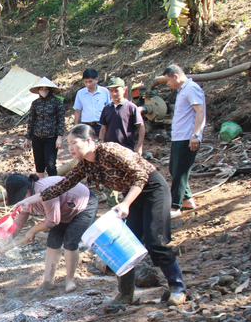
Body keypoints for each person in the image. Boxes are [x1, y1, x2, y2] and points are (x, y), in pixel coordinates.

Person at [13, 124, 188, 306]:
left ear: (89, 141)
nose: (70, 148)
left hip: (153, 191)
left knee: (155, 242)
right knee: (122, 246)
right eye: (68, 144)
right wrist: (29, 201)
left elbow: (140, 176)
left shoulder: (110, 150)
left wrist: (126, 203)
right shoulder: (85, 165)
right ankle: (126, 294)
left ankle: (177, 287)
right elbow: (60, 187)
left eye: (74, 143)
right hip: (132, 197)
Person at [3, 173, 98, 293]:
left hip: (83, 206)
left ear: (26, 189)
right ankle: (48, 282)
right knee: (53, 241)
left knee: (70, 242)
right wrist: (5, 242)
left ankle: (69, 280)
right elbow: (18, 222)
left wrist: (33, 230)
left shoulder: (45, 191)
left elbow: (53, 221)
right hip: (62, 211)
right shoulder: (25, 200)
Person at [163, 64, 206, 219]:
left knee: (180, 171)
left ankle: (175, 206)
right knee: (174, 169)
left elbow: (199, 111)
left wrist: (195, 135)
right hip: (179, 136)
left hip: (187, 137)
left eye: (168, 81)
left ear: (176, 76)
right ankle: (187, 199)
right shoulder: (183, 91)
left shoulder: (191, 88)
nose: (168, 84)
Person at [22, 77, 65, 177]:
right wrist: (27, 138)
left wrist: (59, 137)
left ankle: (54, 186)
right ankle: (41, 185)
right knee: (39, 164)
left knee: (50, 165)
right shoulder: (35, 103)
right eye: (41, 89)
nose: (44, 91)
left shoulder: (57, 102)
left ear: (50, 90)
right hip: (37, 137)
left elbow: (61, 120)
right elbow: (31, 120)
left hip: (51, 137)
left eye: (46, 89)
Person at [99, 76, 145, 155]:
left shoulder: (131, 107)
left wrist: (140, 146)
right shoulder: (107, 108)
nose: (114, 93)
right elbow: (103, 129)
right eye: (111, 91)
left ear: (124, 90)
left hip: (126, 149)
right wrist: (100, 145)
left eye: (117, 90)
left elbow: (141, 126)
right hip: (109, 149)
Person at [73, 69, 111, 137]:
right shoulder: (80, 93)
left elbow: (109, 109)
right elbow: (78, 111)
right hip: (86, 125)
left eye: (90, 81)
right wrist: (76, 127)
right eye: (86, 82)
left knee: (101, 145)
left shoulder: (105, 92)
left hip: (101, 125)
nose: (88, 84)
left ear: (96, 80)